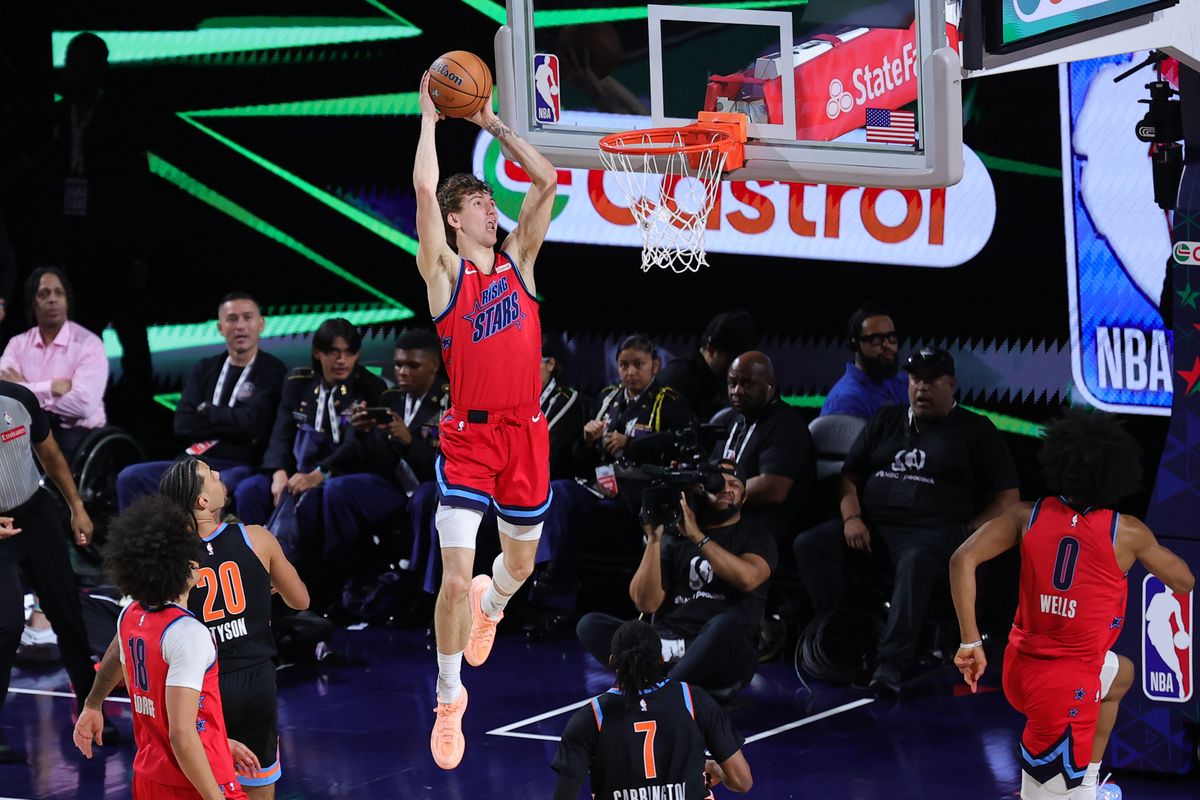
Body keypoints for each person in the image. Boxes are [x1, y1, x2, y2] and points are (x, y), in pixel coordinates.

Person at [414, 68, 558, 770]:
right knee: (450, 577)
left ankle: (493, 604)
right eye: (476, 200)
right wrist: (432, 119)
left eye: (487, 198)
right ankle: (448, 698)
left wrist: (491, 121)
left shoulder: (520, 263)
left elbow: (548, 181)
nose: (489, 207)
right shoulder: (446, 274)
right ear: (454, 218)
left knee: (520, 565)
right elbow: (421, 189)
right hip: (468, 438)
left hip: (526, 431)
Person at [950, 409, 1195, 800]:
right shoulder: (1128, 531)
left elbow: (962, 559)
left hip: (1018, 668)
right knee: (1049, 796)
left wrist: (970, 642)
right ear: (1117, 474)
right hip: (1064, 686)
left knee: (1120, 675)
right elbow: (1184, 581)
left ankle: (1089, 782)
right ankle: (1077, 792)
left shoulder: (1025, 515)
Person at [793, 347, 1020, 696]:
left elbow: (1007, 499)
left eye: (931, 380)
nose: (921, 388)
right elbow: (849, 478)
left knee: (916, 560)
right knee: (810, 544)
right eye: (915, 379)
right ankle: (845, 632)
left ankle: (891, 663)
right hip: (873, 529)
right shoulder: (885, 420)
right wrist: (851, 517)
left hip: (936, 534)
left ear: (951, 384)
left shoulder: (976, 430)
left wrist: (969, 533)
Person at [72, 496, 255, 800]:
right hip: (195, 781)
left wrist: (92, 705)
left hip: (148, 777)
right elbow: (182, 734)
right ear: (180, 564)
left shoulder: (130, 614)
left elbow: (116, 658)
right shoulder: (188, 633)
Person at [159, 457, 309, 799]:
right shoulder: (257, 537)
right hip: (257, 681)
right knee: (258, 782)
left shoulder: (169, 559)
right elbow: (300, 600)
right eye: (210, 476)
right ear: (203, 502)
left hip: (201, 686)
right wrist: (266, 580)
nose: (218, 475)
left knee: (205, 786)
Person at [576, 460, 776, 693]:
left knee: (725, 626)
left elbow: (748, 578)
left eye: (734, 485)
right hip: (669, 645)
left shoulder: (756, 535)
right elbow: (646, 603)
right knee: (590, 625)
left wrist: (698, 538)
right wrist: (654, 540)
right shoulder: (675, 535)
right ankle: (667, 681)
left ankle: (660, 691)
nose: (726, 489)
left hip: (723, 649)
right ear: (701, 490)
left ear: (744, 498)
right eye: (719, 484)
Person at [537, 335, 694, 614]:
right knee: (558, 491)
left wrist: (632, 445)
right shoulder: (608, 397)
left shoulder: (668, 401)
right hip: (602, 485)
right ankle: (551, 582)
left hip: (643, 488)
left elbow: (680, 445)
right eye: (623, 365)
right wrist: (586, 440)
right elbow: (581, 460)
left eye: (638, 364)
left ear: (655, 366)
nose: (630, 372)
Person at [41, 33, 152, 417]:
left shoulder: (119, 120)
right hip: (75, 245)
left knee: (130, 331)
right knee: (83, 332)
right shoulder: (58, 115)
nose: (70, 71)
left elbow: (138, 192)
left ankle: (140, 410)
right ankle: (88, 409)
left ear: (97, 69)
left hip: (115, 247)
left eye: (78, 62)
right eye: (69, 62)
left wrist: (138, 254)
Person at [0, 379, 110, 763]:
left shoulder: (18, 398)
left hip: (36, 516)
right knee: (7, 625)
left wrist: (77, 507)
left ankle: (91, 710)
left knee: (67, 613)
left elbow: (50, 456)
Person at [117, 293, 286, 511]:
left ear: (261, 324)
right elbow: (183, 423)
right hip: (194, 462)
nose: (240, 326)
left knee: (204, 491)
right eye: (232, 319)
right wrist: (235, 424)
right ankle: (136, 545)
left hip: (240, 465)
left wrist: (208, 411)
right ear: (220, 327)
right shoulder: (205, 368)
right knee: (130, 477)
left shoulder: (272, 371)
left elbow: (252, 424)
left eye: (247, 318)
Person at [552, 619, 752, 800]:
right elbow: (742, 782)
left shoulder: (591, 716)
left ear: (612, 661)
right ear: (662, 659)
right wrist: (715, 768)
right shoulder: (693, 699)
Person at [233, 317, 385, 531]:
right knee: (249, 491)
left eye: (349, 352)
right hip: (296, 470)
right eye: (333, 352)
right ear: (317, 352)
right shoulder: (297, 383)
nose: (342, 360)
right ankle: (250, 561)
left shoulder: (369, 388)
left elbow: (354, 445)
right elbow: (281, 434)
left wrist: (320, 474)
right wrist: (278, 472)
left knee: (310, 502)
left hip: (339, 472)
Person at [0, 266, 107, 456]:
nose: (52, 299)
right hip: (26, 430)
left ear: (67, 301)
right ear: (33, 302)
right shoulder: (17, 344)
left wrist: (25, 389)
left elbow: (83, 404)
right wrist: (51, 388)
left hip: (75, 434)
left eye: (59, 293)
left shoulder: (89, 344)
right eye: (44, 294)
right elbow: (5, 395)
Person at [714, 351, 815, 534]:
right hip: (730, 516)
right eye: (732, 384)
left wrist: (720, 493)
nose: (737, 391)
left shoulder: (786, 424)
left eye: (746, 383)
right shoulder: (732, 419)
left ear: (770, 386)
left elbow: (773, 488)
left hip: (766, 525)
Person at [660, 310, 757, 424]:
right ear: (711, 349)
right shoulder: (676, 380)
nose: (738, 367)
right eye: (732, 359)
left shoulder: (720, 377)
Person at [820, 304, 907, 420]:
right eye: (876, 340)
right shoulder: (846, 401)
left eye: (892, 338)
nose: (887, 345)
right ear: (855, 344)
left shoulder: (903, 382)